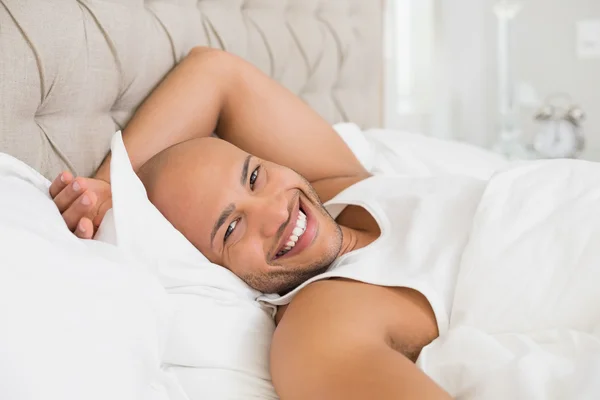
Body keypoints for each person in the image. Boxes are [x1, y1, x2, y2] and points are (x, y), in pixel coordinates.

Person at [49, 47, 453, 399]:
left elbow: (215, 71)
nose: (277, 213)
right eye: (231, 229)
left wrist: (105, 184)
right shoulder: (322, 319)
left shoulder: (339, 189)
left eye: (255, 177)